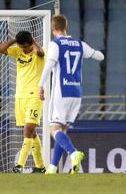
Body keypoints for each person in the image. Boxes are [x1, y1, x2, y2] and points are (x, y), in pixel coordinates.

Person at [39, 15, 104, 174]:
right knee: (63, 131)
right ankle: (53, 167)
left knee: (54, 130)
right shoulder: (80, 44)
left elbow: (49, 64)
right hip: (76, 93)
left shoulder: (55, 44)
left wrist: (40, 85)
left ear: (53, 28)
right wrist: (92, 52)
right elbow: (100, 56)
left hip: (61, 92)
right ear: (66, 27)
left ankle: (74, 153)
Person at [0, 30, 46, 173]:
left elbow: (40, 53)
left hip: (35, 96)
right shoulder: (18, 51)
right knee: (32, 132)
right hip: (20, 96)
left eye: (26, 46)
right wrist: (14, 40)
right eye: (22, 46)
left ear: (31, 42)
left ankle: (20, 165)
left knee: (28, 128)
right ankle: (40, 166)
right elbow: (0, 49)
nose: (24, 49)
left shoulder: (38, 51)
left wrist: (33, 41)